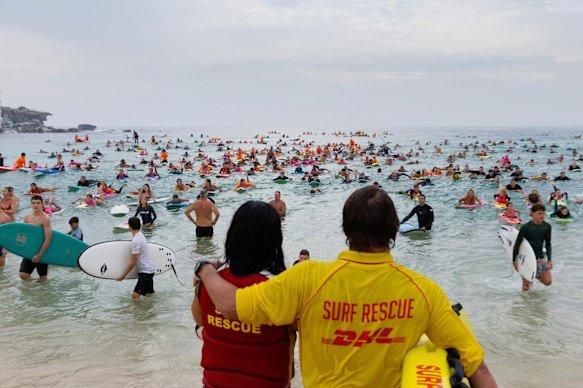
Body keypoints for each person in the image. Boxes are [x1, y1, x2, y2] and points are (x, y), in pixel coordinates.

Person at [195, 187, 497, 387]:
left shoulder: (306, 279)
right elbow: (478, 369)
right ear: (394, 229)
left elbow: (231, 305)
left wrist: (206, 270)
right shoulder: (424, 291)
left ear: (344, 230)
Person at [192, 201, 295, 386]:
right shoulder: (279, 287)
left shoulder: (207, 281)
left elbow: (200, 322)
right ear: (274, 238)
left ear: (233, 235)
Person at [513, 204, 552, 292]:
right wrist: (514, 260)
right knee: (526, 288)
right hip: (527, 259)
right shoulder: (525, 227)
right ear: (532, 214)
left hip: (540, 258)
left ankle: (535, 276)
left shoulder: (547, 227)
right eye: (539, 213)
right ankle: (526, 304)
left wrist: (549, 260)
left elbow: (548, 244)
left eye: (543, 213)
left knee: (548, 282)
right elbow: (517, 244)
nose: (542, 216)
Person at [116, 217, 156, 300]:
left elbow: (133, 261)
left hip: (146, 271)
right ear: (140, 226)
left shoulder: (136, 241)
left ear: (129, 227)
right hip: (149, 268)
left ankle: (141, 313)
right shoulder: (140, 235)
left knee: (135, 295)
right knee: (148, 294)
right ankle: (151, 311)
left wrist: (123, 276)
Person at [19, 195, 52, 281]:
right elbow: (23, 236)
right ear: (31, 204)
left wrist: (39, 255)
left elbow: (48, 238)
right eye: (33, 203)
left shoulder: (45, 219)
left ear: (42, 205)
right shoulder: (27, 218)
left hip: (42, 251)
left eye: (38, 203)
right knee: (22, 275)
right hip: (30, 250)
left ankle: (41, 292)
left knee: (43, 278)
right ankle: (35, 285)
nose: (35, 205)